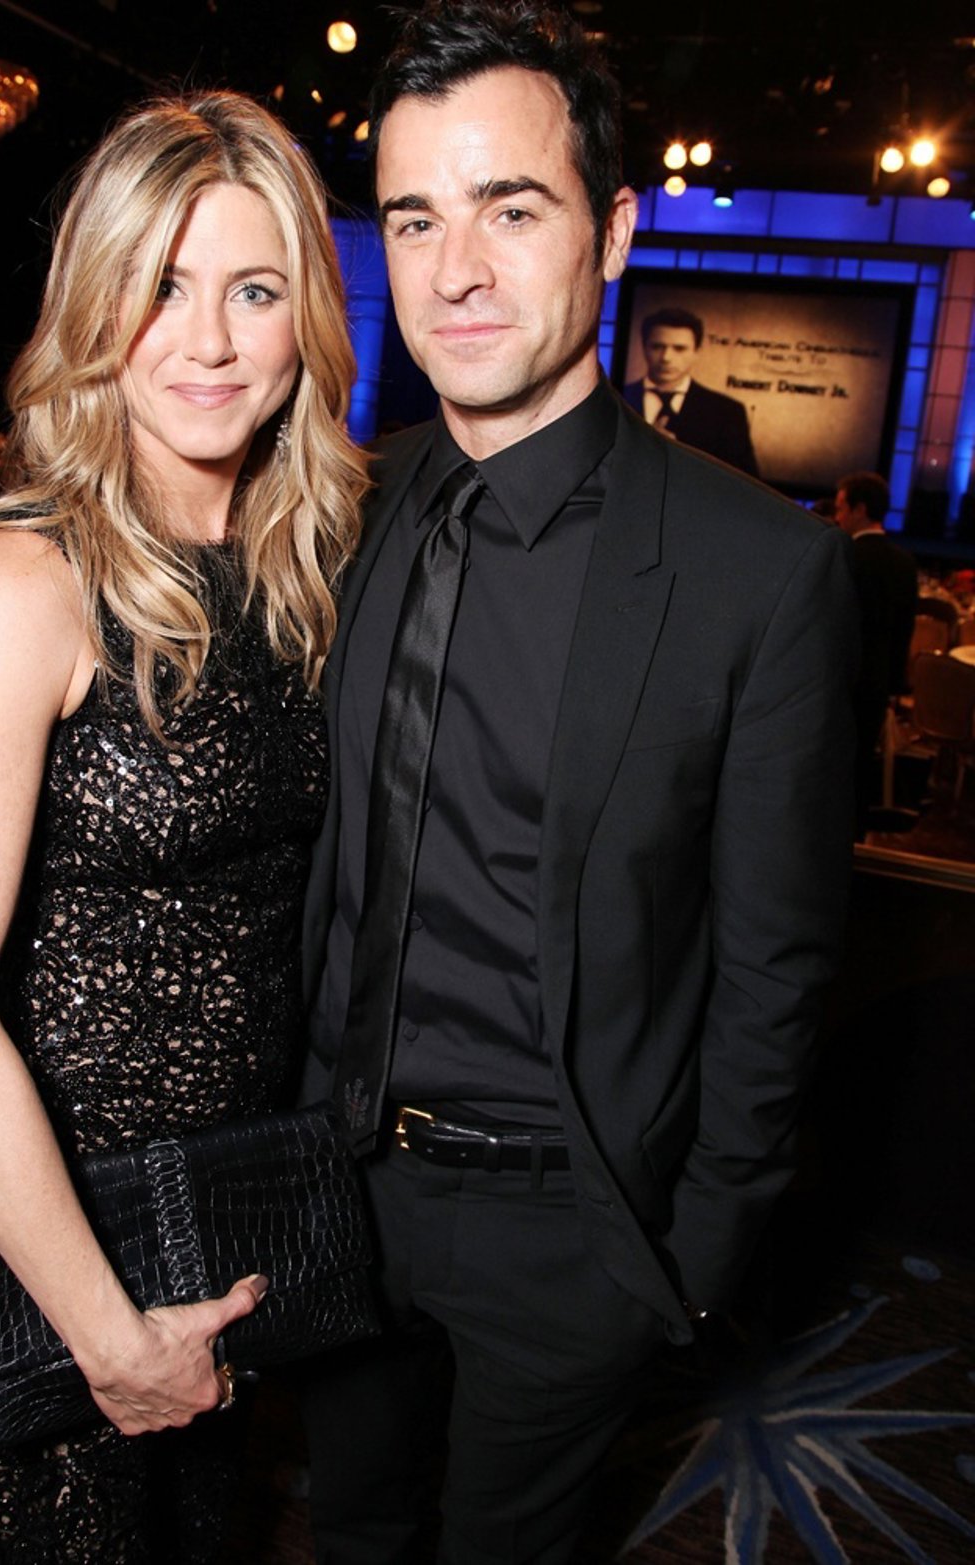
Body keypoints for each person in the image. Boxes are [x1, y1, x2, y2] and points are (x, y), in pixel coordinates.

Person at [298, 4, 857, 1562]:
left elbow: (777, 962)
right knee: (351, 1529)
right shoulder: (337, 511)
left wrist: (688, 1258)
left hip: (572, 1228)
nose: (456, 271)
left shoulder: (760, 573)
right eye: (417, 218)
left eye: (512, 208)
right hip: (334, 1184)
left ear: (613, 232)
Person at [0, 91, 366, 1562]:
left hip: (233, 1218)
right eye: (161, 285)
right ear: (96, 306)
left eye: (254, 290)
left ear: (306, 320)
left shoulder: (302, 567)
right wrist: (112, 1335)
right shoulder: (29, 579)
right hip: (59, 1242)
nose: (208, 341)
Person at [834, 471, 918, 831]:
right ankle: (855, 838)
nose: (837, 516)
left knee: (829, 768)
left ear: (860, 509)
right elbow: (904, 631)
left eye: (841, 508)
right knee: (861, 765)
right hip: (877, 682)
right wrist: (895, 687)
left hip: (838, 681)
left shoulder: (845, 556)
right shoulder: (904, 562)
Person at [623, 305, 760, 476]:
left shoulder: (728, 412)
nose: (666, 357)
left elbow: (744, 482)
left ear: (697, 351)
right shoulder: (616, 397)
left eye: (679, 349)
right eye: (657, 347)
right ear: (644, 347)